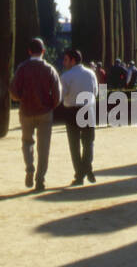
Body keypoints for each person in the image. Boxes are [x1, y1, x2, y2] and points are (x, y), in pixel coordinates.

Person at [8, 37, 61, 191]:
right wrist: (52, 104)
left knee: (27, 142)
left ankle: (30, 167)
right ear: (43, 51)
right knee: (44, 147)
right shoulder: (50, 69)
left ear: (29, 51)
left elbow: (12, 89)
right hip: (45, 112)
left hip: (26, 111)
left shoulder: (22, 68)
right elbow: (58, 93)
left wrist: (20, 99)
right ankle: (40, 179)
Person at [58, 48, 99, 186]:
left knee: (74, 145)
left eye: (66, 59)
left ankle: (80, 174)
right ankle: (87, 168)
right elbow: (96, 92)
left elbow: (61, 96)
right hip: (88, 109)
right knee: (88, 142)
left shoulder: (66, 76)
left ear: (73, 60)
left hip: (72, 111)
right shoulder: (91, 73)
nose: (64, 62)